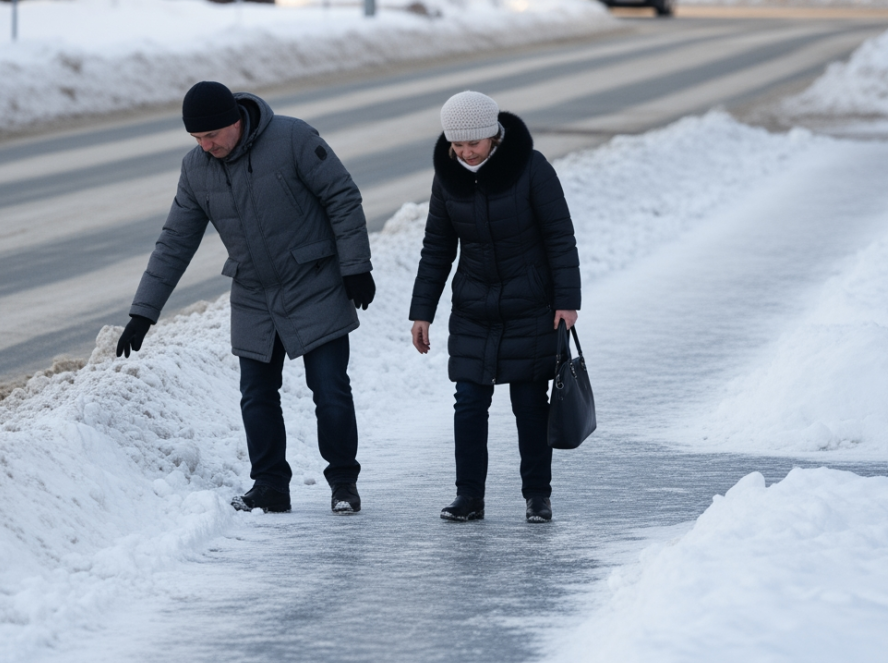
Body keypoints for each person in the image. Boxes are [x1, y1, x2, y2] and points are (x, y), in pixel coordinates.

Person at [116, 81, 375, 515]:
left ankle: (343, 482)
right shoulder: (196, 169)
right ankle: (270, 485)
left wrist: (355, 266)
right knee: (256, 393)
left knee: (329, 389)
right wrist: (143, 313)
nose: (206, 145)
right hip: (254, 291)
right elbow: (175, 241)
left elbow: (342, 197)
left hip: (313, 279)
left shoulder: (293, 139)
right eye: (197, 139)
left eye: (212, 135)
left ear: (236, 120)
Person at [408, 91, 581, 524]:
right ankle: (469, 497)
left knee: (529, 404)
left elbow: (560, 236)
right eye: (457, 145)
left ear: (494, 137)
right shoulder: (447, 176)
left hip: (530, 305)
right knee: (468, 402)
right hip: (474, 307)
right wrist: (421, 311)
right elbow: (437, 247)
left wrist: (567, 302)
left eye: (474, 144)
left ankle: (537, 496)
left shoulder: (531, 168)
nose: (465, 153)